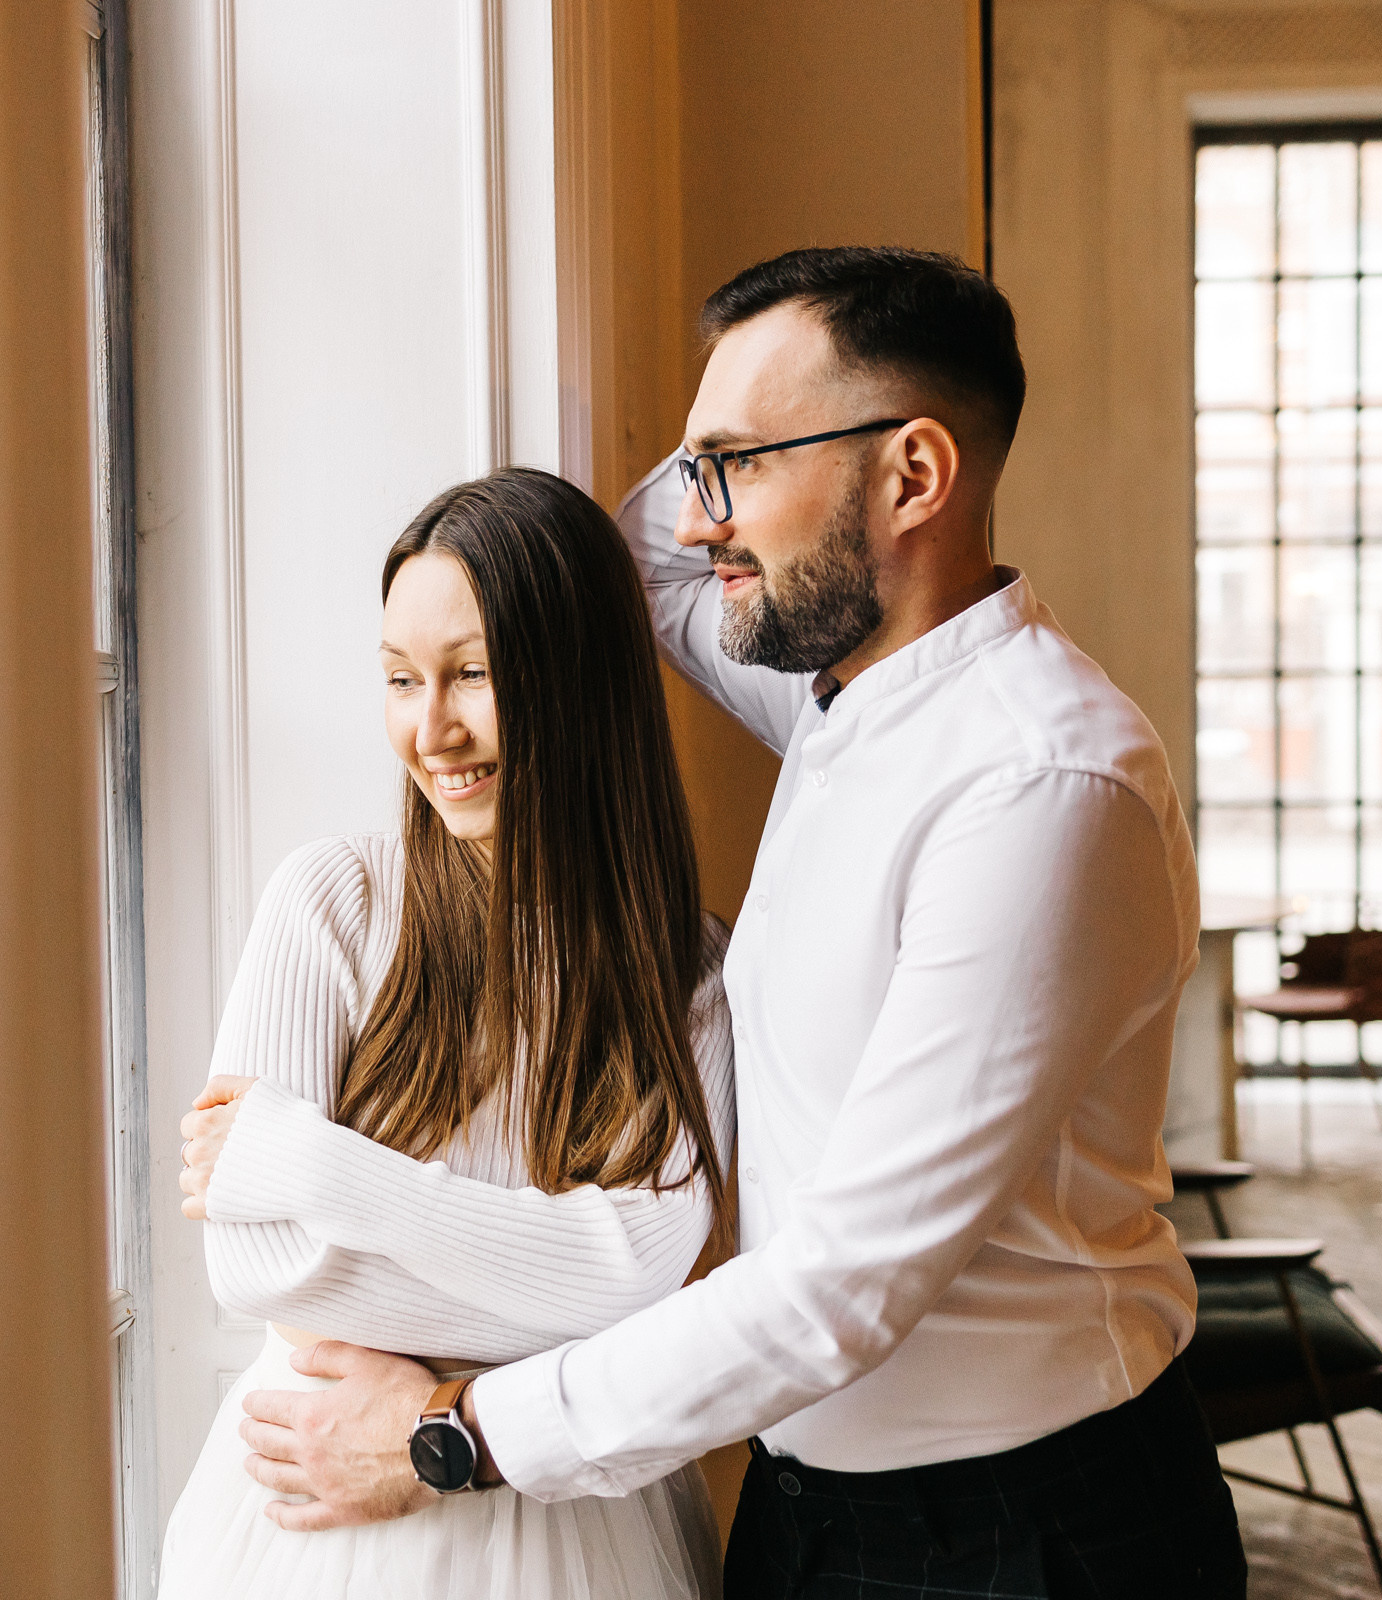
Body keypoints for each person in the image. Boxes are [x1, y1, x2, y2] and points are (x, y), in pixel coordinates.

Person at [230, 247, 1247, 1598]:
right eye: (702, 467)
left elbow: (842, 1286)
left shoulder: (1041, 788)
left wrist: (447, 1438)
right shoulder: (830, 692)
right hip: (808, 1510)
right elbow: (621, 567)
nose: (700, 518)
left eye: (738, 465)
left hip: (1024, 1538)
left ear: (915, 477)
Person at [156, 466, 738, 1600]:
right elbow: (260, 1264)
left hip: (574, 1533)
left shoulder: (692, 966)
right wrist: (548, 1309)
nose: (432, 730)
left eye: (472, 674)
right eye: (399, 680)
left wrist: (320, 1167)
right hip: (303, 1512)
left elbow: (636, 1283)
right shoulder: (330, 900)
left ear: (579, 683)